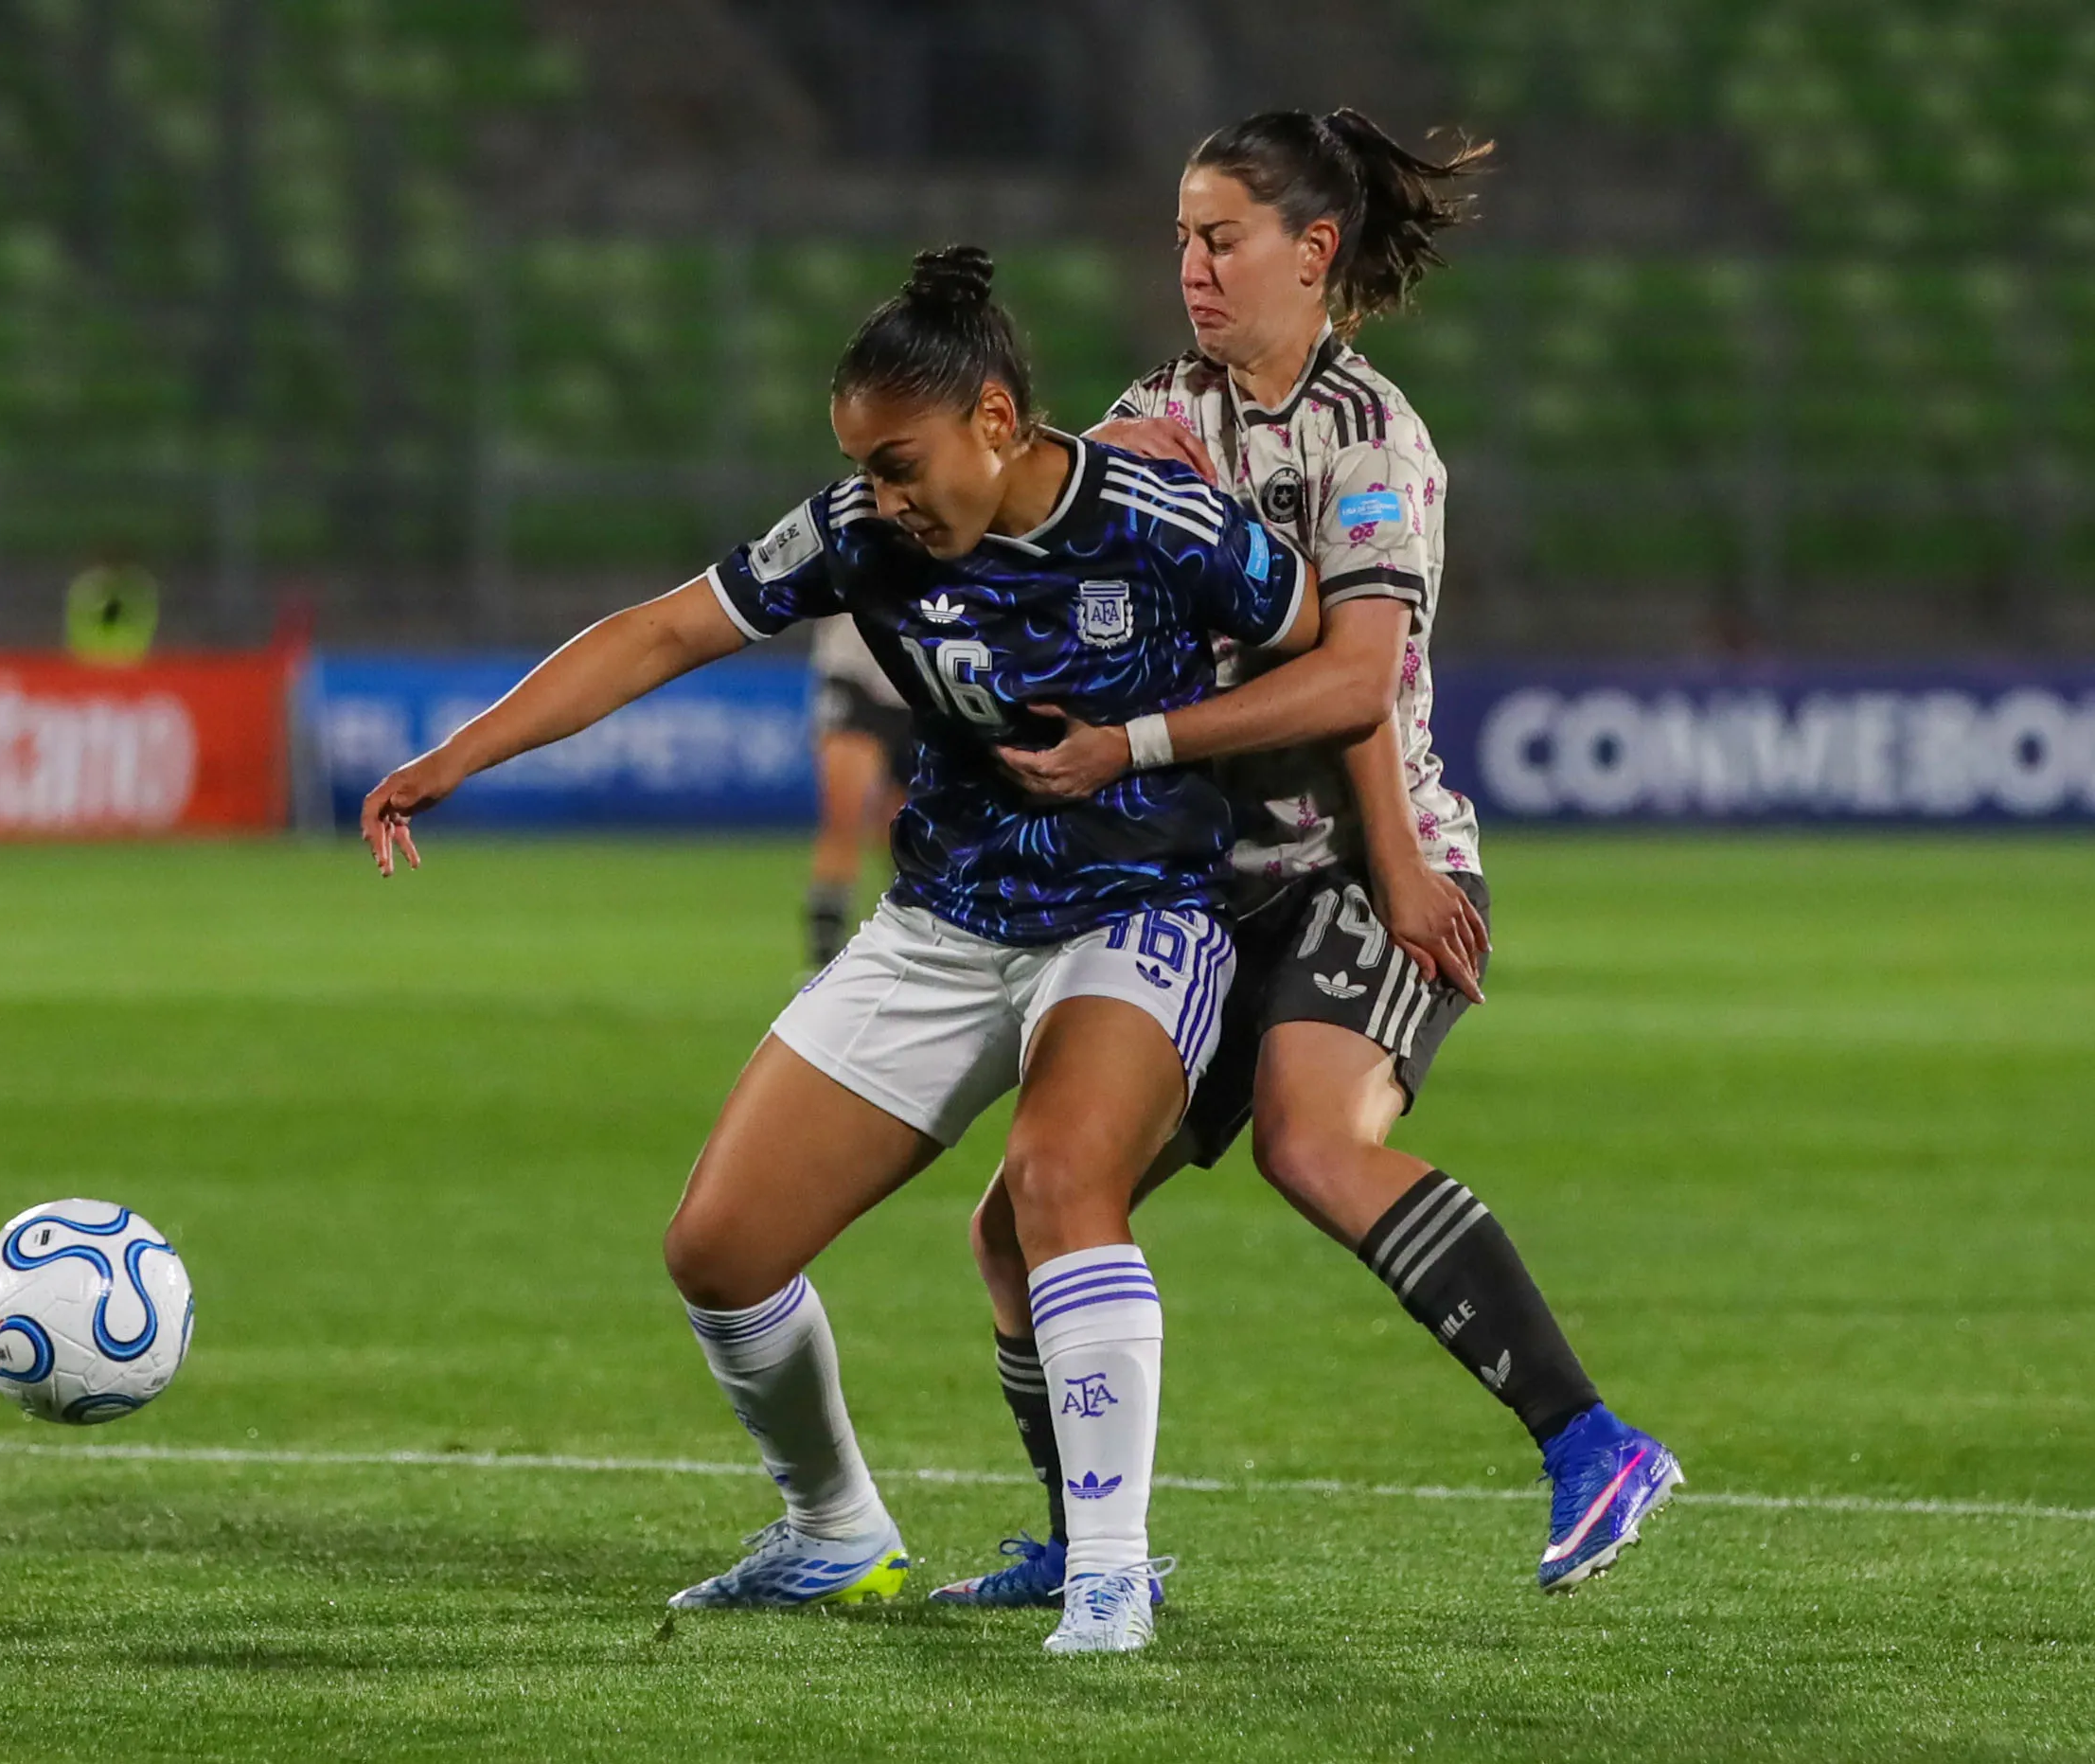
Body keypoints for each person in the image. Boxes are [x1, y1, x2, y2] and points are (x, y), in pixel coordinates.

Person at [363, 245, 1322, 1654]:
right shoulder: (860, 535)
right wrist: (460, 753)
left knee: (1058, 1175)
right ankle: (834, 1532)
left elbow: (1316, 637)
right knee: (720, 1245)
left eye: (899, 461)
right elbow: (661, 631)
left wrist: (1184, 759)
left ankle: (1108, 1570)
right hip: (940, 926)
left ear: (996, 419)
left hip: (1133, 914)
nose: (882, 496)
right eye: (864, 468)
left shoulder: (1159, 523)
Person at [932, 112, 1678, 1608]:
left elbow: (1354, 685)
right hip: (1213, 888)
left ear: (1310, 252)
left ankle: (1591, 1440)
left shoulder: (1372, 440)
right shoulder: (1156, 412)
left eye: (1221, 238)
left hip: (1359, 864)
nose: (1191, 268)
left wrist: (1393, 865)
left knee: (1309, 1138)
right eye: (1181, 239)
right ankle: (1084, 1543)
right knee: (1023, 1208)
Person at [802, 614, 914, 968]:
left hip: (925, 676)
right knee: (843, 817)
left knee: (911, 834)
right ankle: (821, 965)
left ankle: (912, 953)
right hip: (855, 671)